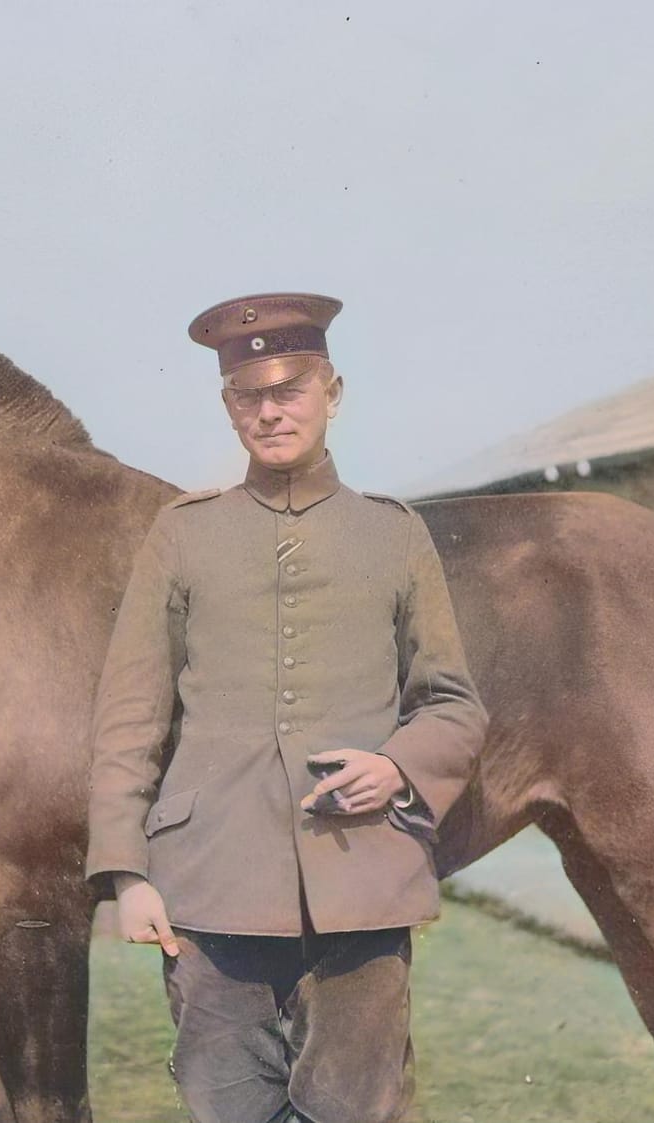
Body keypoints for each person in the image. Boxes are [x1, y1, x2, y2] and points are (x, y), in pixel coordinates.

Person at [86, 293, 488, 1123]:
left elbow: (453, 705)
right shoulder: (183, 534)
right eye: (248, 394)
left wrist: (397, 767)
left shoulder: (394, 533)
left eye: (290, 388)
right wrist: (128, 872)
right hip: (209, 889)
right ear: (229, 406)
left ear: (332, 391)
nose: (270, 411)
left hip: (360, 882)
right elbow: (130, 714)